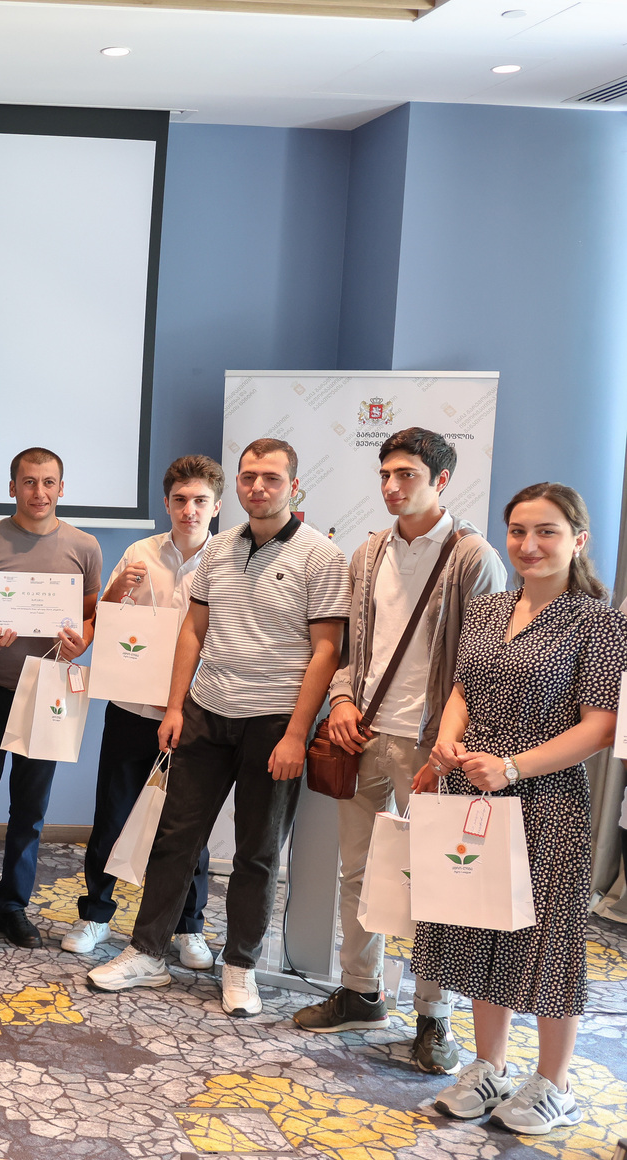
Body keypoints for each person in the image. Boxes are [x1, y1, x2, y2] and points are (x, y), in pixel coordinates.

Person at [87, 438, 349, 1017]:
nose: (258, 487)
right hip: (206, 711)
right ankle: (147, 953)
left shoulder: (322, 557)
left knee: (257, 853)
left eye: (271, 478)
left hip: (274, 721)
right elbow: (192, 631)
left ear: (293, 487)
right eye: (249, 476)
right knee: (174, 838)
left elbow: (327, 650)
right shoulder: (220, 548)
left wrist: (296, 734)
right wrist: (175, 707)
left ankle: (240, 967)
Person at [291, 429, 507, 1071]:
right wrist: (342, 701)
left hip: (431, 745)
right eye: (385, 474)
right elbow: (351, 649)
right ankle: (361, 992)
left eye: (406, 474)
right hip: (362, 734)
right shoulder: (368, 552)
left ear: (441, 480)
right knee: (358, 872)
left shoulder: (474, 558)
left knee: (434, 882)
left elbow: (484, 663)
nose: (391, 486)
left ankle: (434, 1016)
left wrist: (449, 745)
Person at [415, 483, 625, 1134]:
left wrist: (512, 767)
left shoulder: (599, 622)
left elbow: (600, 726)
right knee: (481, 928)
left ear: (578, 541)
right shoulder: (486, 610)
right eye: (518, 531)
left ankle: (554, 1086)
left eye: (547, 532)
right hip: (473, 792)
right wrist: (448, 741)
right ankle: (490, 1068)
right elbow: (462, 689)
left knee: (546, 941)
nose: (529, 545)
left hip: (546, 801)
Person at [0, 448, 101, 950]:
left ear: (62, 489)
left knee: (30, 809)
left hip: (47, 692)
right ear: (12, 488)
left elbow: (91, 613)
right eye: (29, 482)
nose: (39, 492)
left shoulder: (85, 546)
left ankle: (12, 906)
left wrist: (83, 641)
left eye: (49, 482)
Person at [65, 455, 224, 967]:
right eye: (180, 500)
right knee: (112, 815)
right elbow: (106, 620)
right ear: (166, 503)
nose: (189, 510)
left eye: (199, 501)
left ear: (216, 506)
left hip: (195, 712)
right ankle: (96, 914)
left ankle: (189, 925)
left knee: (187, 826)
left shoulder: (227, 560)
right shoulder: (140, 553)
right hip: (132, 710)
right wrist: (117, 590)